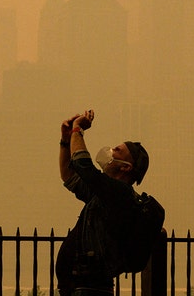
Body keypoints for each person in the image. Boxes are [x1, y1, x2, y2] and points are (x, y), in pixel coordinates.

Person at [56, 109, 150, 296]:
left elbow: (83, 166)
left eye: (117, 150)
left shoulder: (120, 194)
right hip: (77, 287)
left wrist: (77, 130)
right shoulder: (105, 194)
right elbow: (69, 176)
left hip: (91, 289)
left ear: (125, 166)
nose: (110, 151)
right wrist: (66, 140)